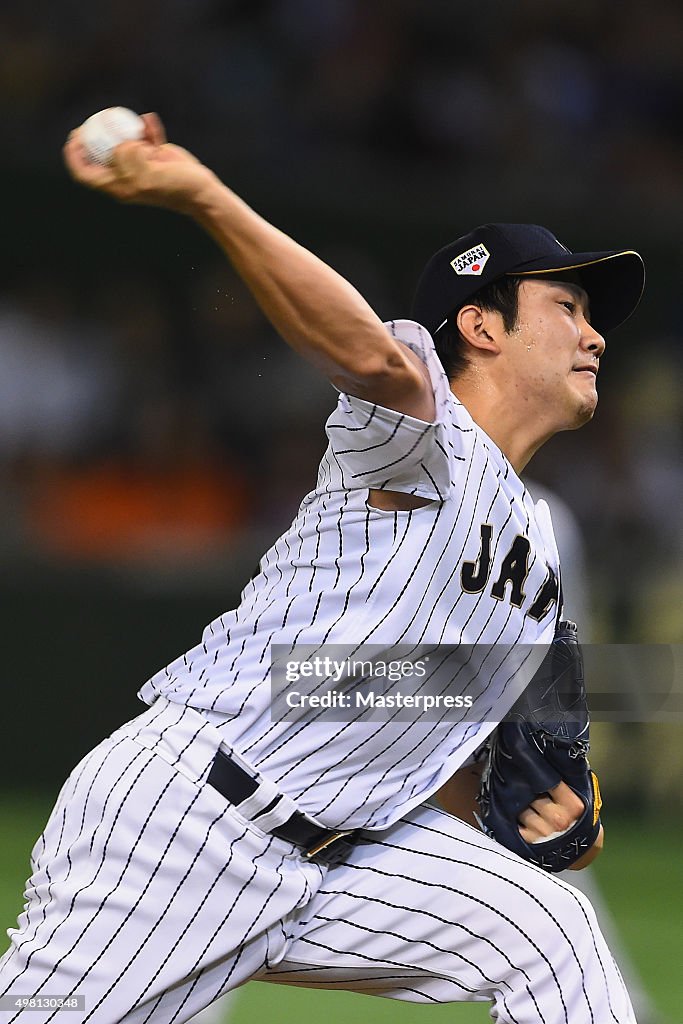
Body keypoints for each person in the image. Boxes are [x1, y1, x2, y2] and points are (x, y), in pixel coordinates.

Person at [0, 113, 645, 1024]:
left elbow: (428, 743)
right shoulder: (423, 440)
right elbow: (367, 357)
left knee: (550, 931)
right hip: (190, 821)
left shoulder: (533, 552)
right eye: (567, 309)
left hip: (342, 856)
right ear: (479, 325)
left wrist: (563, 819)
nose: (595, 338)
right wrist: (203, 195)